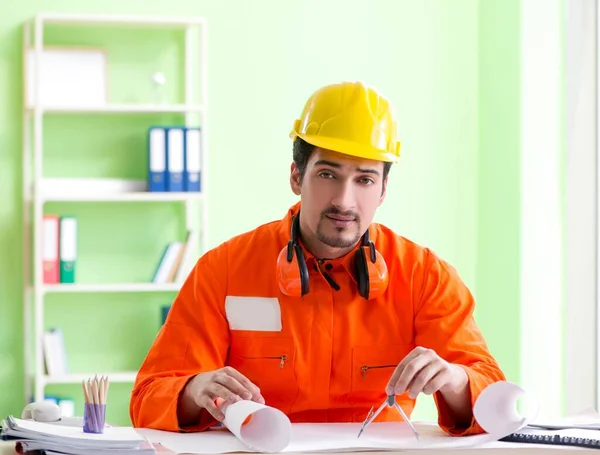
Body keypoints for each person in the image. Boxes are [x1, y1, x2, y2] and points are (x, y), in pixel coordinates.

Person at [129, 81, 505, 436]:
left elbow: (493, 395)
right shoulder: (224, 270)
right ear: (297, 176)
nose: (344, 200)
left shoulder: (424, 276)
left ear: (384, 190)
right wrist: (194, 389)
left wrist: (456, 380)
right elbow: (148, 397)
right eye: (328, 174)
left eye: (365, 180)